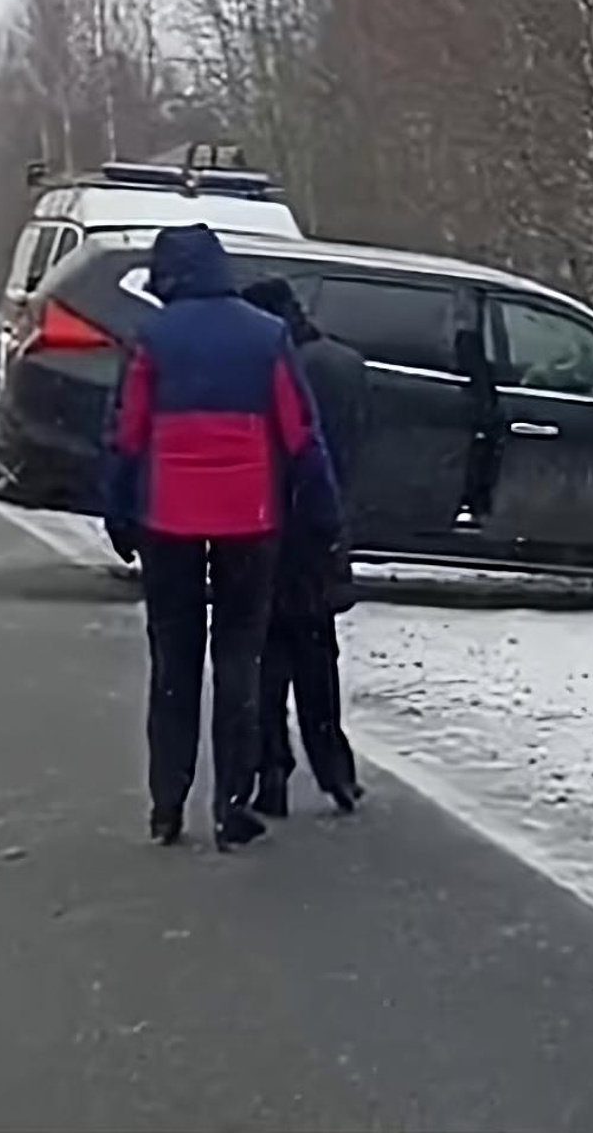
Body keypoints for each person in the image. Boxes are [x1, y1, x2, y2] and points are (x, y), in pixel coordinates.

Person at [105, 226, 340, 852]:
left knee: (172, 663)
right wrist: (322, 514)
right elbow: (300, 434)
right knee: (239, 662)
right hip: (250, 522)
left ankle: (166, 804)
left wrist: (119, 509)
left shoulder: (150, 338)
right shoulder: (267, 336)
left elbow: (127, 434)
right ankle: (230, 807)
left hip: (167, 522)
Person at [240, 277, 368, 817]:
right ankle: (335, 770)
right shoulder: (343, 364)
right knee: (318, 656)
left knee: (266, 660)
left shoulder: (262, 371)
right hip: (322, 526)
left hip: (262, 526)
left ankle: (271, 769)